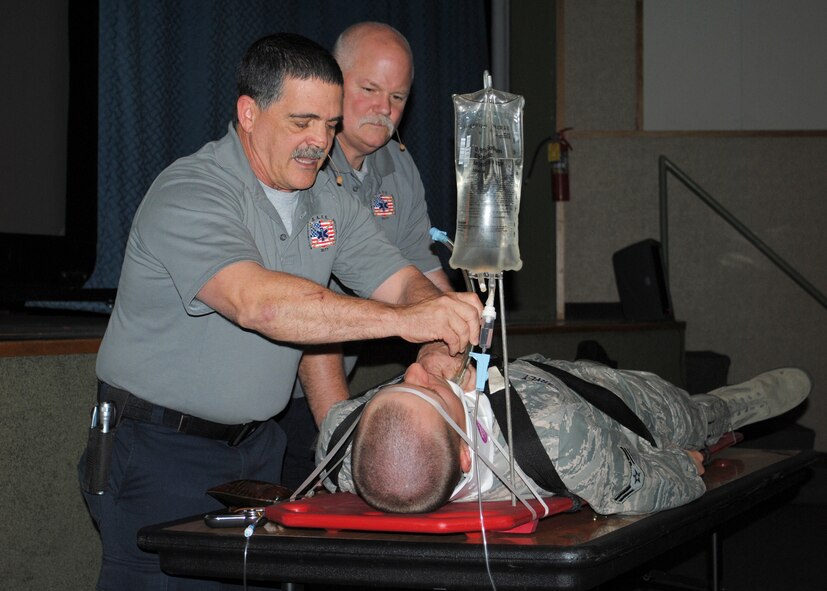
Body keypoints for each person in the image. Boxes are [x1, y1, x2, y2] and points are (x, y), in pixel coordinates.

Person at [78, 33, 482, 590]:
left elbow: (402, 279)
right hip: (159, 454)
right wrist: (405, 322)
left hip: (258, 454)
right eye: (302, 122)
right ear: (249, 112)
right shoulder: (191, 191)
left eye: (330, 125)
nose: (320, 141)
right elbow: (260, 304)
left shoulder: (329, 199)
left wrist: (438, 321)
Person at [279, 22, 454, 489]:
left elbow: (424, 273)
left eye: (397, 97)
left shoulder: (397, 164)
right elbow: (312, 327)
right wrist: (343, 442)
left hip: (335, 391)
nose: (383, 109)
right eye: (370, 89)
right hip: (278, 401)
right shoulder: (302, 159)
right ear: (334, 82)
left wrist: (447, 349)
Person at [317, 354, 811, 515]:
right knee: (689, 416)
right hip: (611, 407)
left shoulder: (340, 441)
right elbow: (637, 488)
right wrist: (686, 465)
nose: (418, 369)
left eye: (399, 386)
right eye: (431, 394)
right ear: (467, 456)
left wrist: (460, 373)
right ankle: (734, 404)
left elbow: (379, 403)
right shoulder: (556, 439)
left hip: (525, 372)